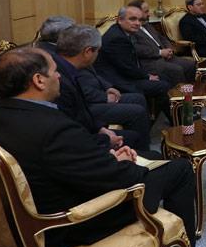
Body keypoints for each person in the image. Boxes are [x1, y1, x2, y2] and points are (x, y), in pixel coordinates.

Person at [0, 47, 206, 247]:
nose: (59, 76)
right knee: (180, 170)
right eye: (55, 71)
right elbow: (118, 179)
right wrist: (123, 163)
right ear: (39, 80)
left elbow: (64, 162)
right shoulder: (53, 128)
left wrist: (109, 158)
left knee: (151, 156)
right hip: (68, 224)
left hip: (22, 215)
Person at [55, 24, 152, 154]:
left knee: (135, 132)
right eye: (97, 51)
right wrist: (104, 136)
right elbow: (74, 118)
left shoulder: (66, 65)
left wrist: (100, 128)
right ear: (88, 52)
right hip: (80, 139)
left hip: (87, 122)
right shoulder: (60, 77)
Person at [98, 5, 172, 122]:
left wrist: (147, 75)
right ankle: (168, 121)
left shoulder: (120, 32)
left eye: (139, 20)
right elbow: (127, 68)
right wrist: (147, 76)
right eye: (132, 19)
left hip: (125, 75)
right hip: (118, 81)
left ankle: (161, 118)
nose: (137, 23)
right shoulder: (117, 38)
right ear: (120, 20)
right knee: (162, 86)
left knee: (164, 77)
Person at [127, 0, 196, 84]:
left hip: (166, 57)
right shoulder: (130, 29)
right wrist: (160, 52)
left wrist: (169, 49)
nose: (149, 14)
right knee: (177, 70)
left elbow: (162, 38)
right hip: (151, 62)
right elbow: (137, 49)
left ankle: (191, 90)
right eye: (146, 11)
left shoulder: (146, 24)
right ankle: (178, 92)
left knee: (190, 65)